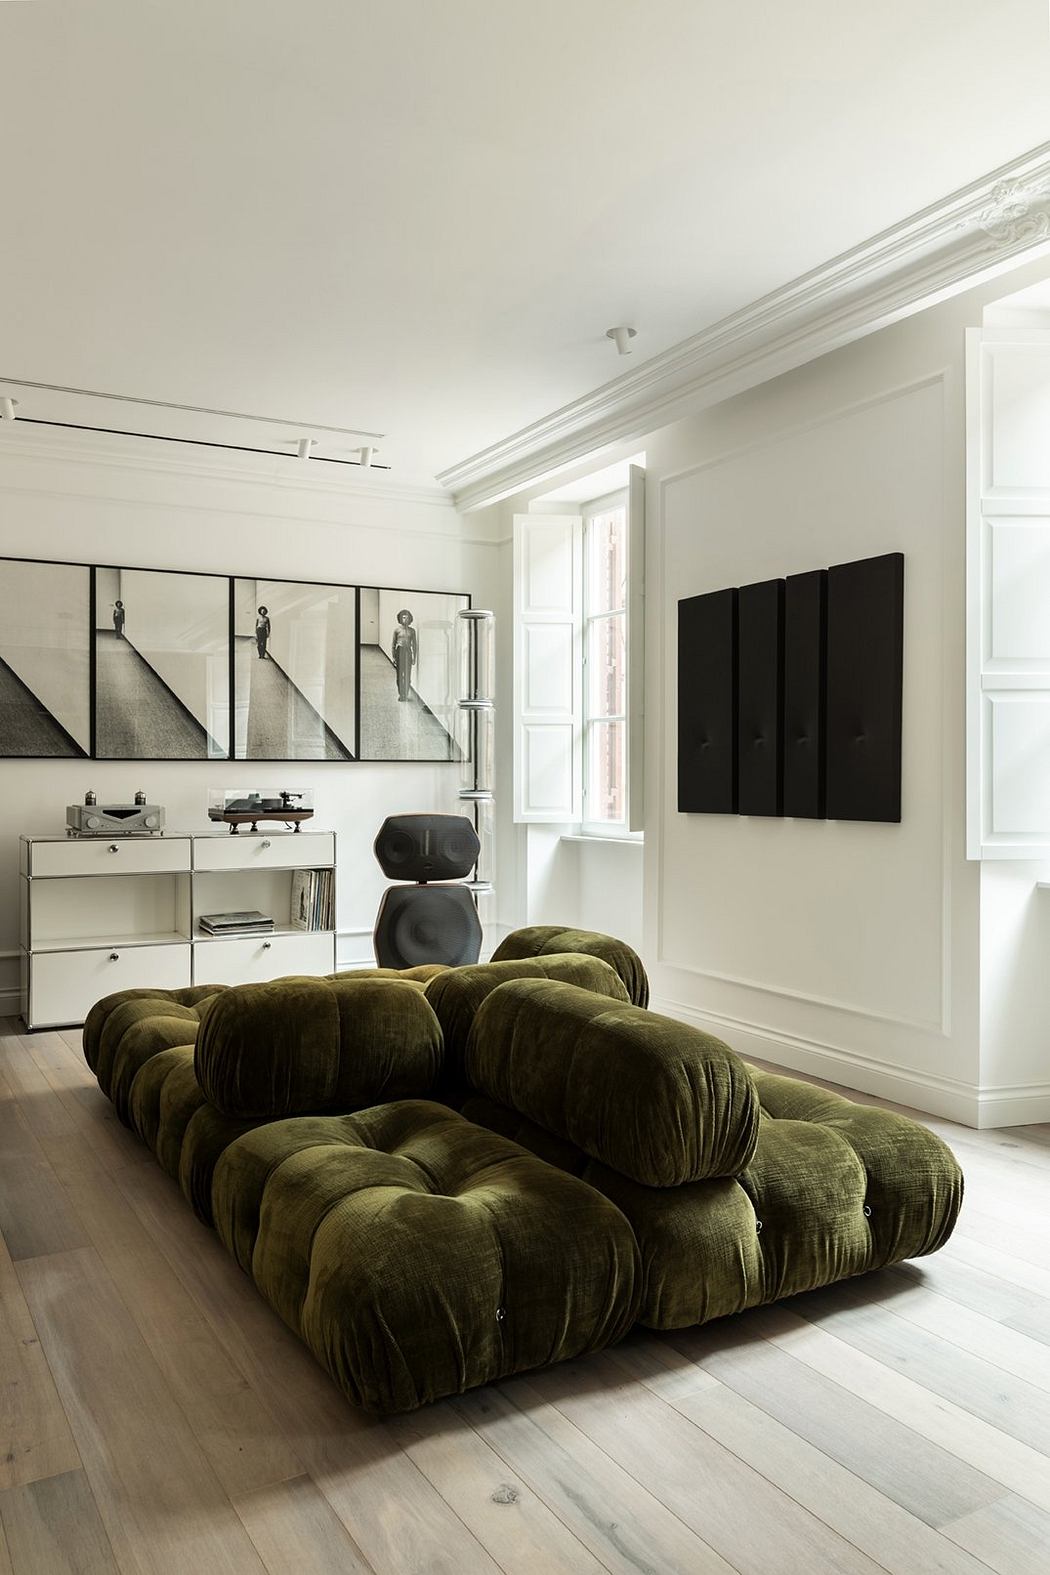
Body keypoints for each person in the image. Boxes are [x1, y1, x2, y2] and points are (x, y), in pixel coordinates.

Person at [391, 608, 417, 701]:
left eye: (407, 617)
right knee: (399, 675)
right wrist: (393, 657)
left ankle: (405, 694)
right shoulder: (397, 630)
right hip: (399, 652)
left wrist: (414, 657)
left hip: (408, 652)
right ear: (400, 618)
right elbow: (393, 644)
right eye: (403, 617)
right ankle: (401, 694)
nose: (405, 619)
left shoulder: (412, 631)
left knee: (407, 675)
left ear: (410, 619)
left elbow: (414, 645)